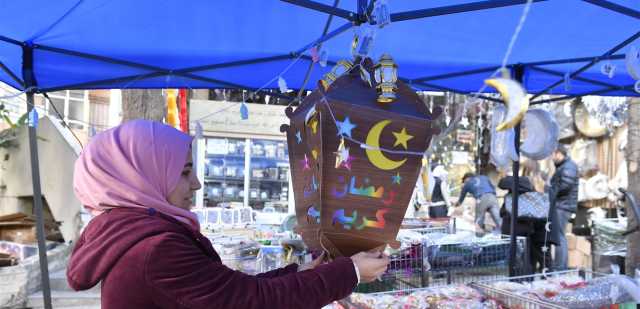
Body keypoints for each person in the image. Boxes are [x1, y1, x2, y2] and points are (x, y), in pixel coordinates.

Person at [66, 120, 390, 309]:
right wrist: (350, 272)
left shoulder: (134, 234)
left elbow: (226, 290)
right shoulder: (155, 249)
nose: (196, 184)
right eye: (184, 172)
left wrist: (300, 272)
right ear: (141, 175)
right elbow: (251, 302)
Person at [498, 176, 559, 273]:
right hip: (537, 232)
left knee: (540, 260)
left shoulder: (537, 193)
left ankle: (546, 282)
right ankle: (538, 281)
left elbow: (502, 183)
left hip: (540, 232)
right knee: (536, 260)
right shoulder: (538, 194)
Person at [548, 144, 579, 270]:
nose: (552, 157)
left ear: (559, 154)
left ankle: (560, 267)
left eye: (553, 154)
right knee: (561, 236)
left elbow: (566, 185)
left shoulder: (569, 166)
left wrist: (550, 192)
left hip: (562, 205)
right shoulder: (564, 166)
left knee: (559, 236)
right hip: (562, 204)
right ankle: (561, 266)